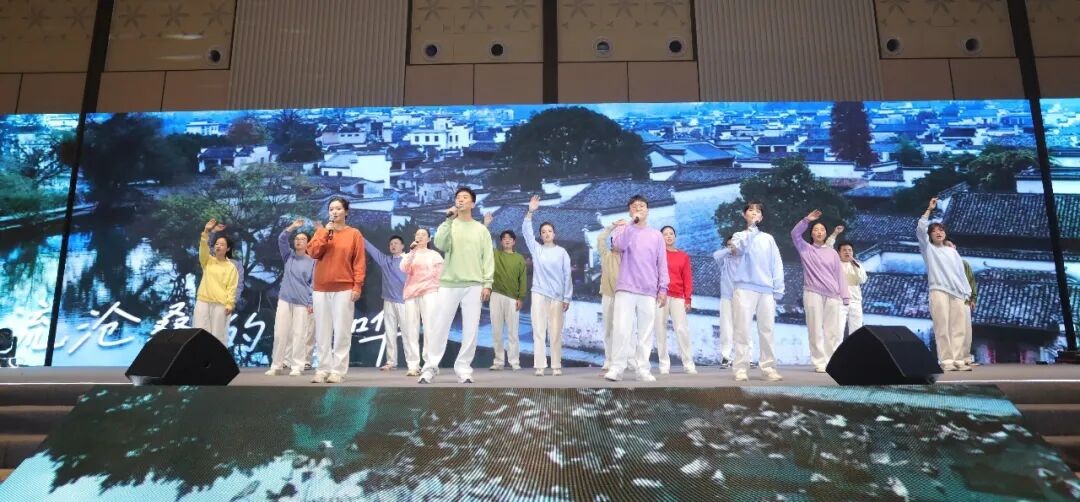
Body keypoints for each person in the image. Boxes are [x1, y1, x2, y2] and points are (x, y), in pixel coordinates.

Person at [418, 187, 494, 384]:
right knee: (439, 326)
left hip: (474, 284)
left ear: (473, 204)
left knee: (471, 329)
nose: (460, 200)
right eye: (458, 197)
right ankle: (430, 367)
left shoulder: (481, 230)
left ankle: (464, 369)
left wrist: (487, 283)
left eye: (465, 197)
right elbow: (440, 244)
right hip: (449, 283)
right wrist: (448, 220)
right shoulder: (450, 224)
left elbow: (488, 258)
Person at [604, 194, 668, 383]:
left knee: (645, 332)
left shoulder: (656, 235)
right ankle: (617, 368)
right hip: (626, 287)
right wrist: (631, 224)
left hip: (648, 289)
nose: (638, 208)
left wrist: (663, 288)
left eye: (641, 206)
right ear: (629, 211)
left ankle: (643, 370)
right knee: (621, 329)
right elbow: (618, 246)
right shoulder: (623, 230)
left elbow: (662, 263)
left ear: (648, 210)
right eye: (634, 206)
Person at [307, 197, 367, 384]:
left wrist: (357, 286)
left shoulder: (354, 234)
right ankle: (322, 369)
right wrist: (325, 233)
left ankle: (338, 370)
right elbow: (313, 252)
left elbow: (359, 262)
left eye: (338, 208)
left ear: (346, 212)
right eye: (331, 209)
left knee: (342, 331)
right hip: (321, 288)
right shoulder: (322, 232)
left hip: (344, 287)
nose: (334, 212)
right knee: (322, 332)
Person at [730, 201, 785, 382]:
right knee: (742, 330)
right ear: (744, 215)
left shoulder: (768, 239)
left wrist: (778, 289)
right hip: (744, 288)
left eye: (758, 211)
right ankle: (740, 369)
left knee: (767, 330)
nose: (754, 213)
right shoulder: (738, 236)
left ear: (761, 217)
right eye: (750, 210)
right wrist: (751, 229)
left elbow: (776, 263)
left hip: (766, 290)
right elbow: (739, 250)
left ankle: (768, 368)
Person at [917, 197, 973, 372]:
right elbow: (920, 230)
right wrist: (929, 209)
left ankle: (958, 359)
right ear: (930, 236)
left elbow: (961, 273)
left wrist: (968, 293)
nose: (938, 233)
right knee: (942, 326)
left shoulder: (952, 251)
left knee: (959, 328)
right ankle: (946, 360)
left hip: (958, 292)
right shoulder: (928, 249)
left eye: (941, 230)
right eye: (934, 231)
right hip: (939, 290)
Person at [791, 210, 849, 373]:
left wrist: (845, 296)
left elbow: (839, 275)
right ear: (811, 233)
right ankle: (819, 362)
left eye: (822, 229)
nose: (819, 232)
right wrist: (806, 220)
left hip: (833, 295)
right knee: (815, 329)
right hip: (813, 293)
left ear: (825, 233)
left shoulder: (832, 252)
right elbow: (795, 234)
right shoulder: (805, 249)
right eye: (816, 229)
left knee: (832, 331)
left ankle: (831, 361)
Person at [522, 195, 573, 376]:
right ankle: (539, 366)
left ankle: (556, 365)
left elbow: (567, 275)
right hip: (539, 293)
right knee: (539, 330)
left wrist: (567, 297)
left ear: (554, 234)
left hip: (557, 296)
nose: (546, 234)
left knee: (555, 332)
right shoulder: (537, 250)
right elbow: (526, 233)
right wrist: (530, 212)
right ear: (541, 235)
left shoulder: (562, 252)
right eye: (543, 231)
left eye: (549, 231)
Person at [267, 219, 315, 377]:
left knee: (299, 335)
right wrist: (293, 227)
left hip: (302, 303)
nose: (299, 241)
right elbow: (281, 239)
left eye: (303, 239)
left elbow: (313, 283)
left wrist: (310, 302)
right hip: (285, 300)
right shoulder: (288, 256)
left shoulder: (313, 262)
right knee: (280, 333)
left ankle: (297, 366)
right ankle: (276, 365)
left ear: (308, 243)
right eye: (297, 239)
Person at [484, 213, 527, 371]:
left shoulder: (519, 258)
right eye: (504, 238)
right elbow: (485, 242)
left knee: (513, 332)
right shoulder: (496, 254)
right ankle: (498, 362)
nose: (507, 240)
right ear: (501, 242)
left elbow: (523, 279)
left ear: (514, 241)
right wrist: (486, 225)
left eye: (510, 238)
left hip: (512, 298)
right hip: (496, 295)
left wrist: (520, 297)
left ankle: (514, 362)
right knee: (497, 331)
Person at [400, 227, 444, 377]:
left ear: (429, 239)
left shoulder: (434, 255)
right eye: (418, 234)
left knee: (430, 328)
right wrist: (411, 252)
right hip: (411, 293)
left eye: (423, 234)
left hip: (430, 291)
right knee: (411, 329)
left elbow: (440, 275)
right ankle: (413, 365)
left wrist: (439, 293)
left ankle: (430, 364)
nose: (420, 236)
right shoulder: (410, 254)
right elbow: (403, 268)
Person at [654, 226, 696, 375]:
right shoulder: (657, 255)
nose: (668, 236)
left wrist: (688, 298)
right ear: (661, 238)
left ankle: (689, 364)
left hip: (678, 296)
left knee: (681, 330)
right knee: (660, 330)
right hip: (660, 297)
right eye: (665, 234)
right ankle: (664, 365)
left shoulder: (683, 256)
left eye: (671, 233)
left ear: (675, 236)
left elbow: (687, 279)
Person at [365, 235, 408, 371]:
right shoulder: (385, 261)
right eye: (391, 244)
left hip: (405, 302)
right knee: (390, 332)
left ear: (402, 246)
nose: (393, 246)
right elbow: (371, 249)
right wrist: (358, 236)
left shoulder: (408, 260)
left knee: (408, 334)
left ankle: (413, 364)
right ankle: (391, 362)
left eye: (396, 243)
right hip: (388, 301)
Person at [195, 219, 239, 345]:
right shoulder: (207, 260)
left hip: (220, 305)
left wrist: (229, 304)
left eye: (222, 245)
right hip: (203, 302)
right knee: (199, 334)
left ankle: (218, 358)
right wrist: (206, 231)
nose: (218, 246)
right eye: (217, 244)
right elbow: (203, 247)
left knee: (218, 336)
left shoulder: (231, 267)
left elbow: (232, 287)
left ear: (228, 248)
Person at [597, 219, 628, 375]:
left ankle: (621, 360)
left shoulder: (628, 257)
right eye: (615, 239)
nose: (617, 242)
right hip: (608, 295)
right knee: (608, 329)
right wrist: (613, 226)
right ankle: (608, 359)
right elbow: (600, 238)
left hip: (624, 297)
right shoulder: (606, 255)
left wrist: (628, 227)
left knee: (622, 330)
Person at [826, 227, 868, 338]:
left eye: (850, 250)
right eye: (844, 250)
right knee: (838, 331)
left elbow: (862, 280)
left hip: (855, 301)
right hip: (839, 301)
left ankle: (856, 349)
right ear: (838, 253)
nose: (847, 252)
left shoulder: (857, 265)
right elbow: (828, 247)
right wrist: (835, 233)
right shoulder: (834, 263)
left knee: (857, 332)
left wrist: (854, 264)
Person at [946, 239, 978, 367]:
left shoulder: (964, 264)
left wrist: (973, 299)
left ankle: (965, 357)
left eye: (950, 245)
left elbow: (971, 281)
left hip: (964, 300)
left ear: (955, 246)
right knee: (953, 330)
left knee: (966, 330)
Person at [711, 236, 739, 369]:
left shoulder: (744, 258)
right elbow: (715, 255)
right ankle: (726, 357)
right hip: (726, 297)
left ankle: (747, 357)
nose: (731, 247)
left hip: (742, 298)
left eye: (733, 244)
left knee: (743, 328)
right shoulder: (724, 259)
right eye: (728, 245)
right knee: (726, 328)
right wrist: (729, 249)